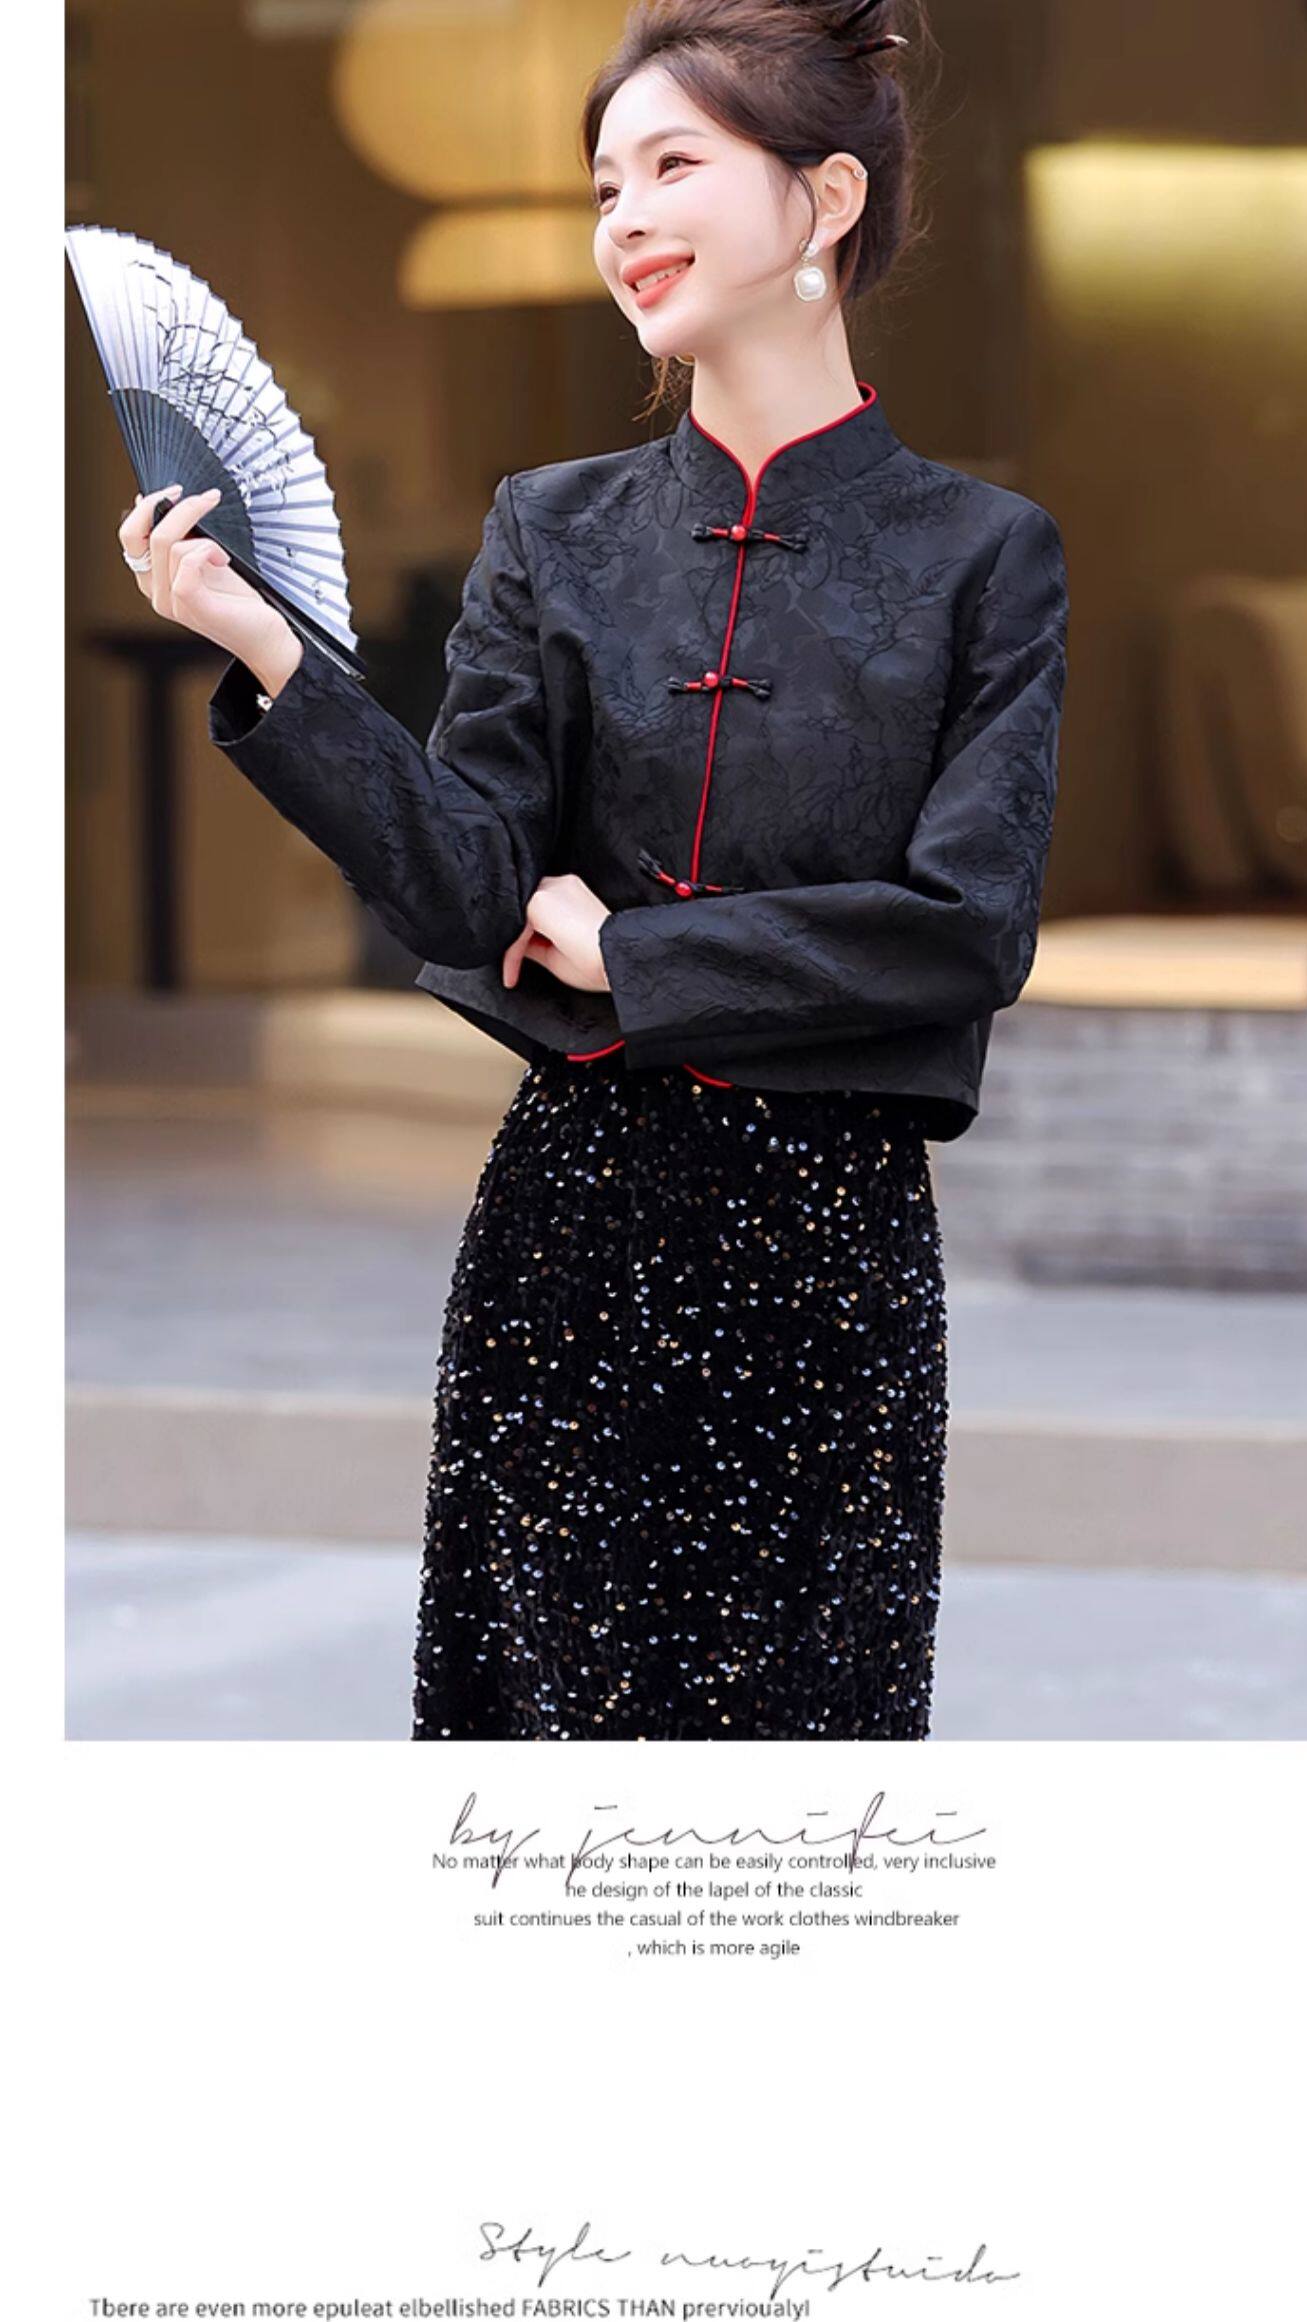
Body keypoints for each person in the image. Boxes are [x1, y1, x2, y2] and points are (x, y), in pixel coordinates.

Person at [112, 0, 1068, 1741]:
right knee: (542, 1767)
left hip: (830, 1259)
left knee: (802, 1781)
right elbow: (466, 887)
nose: (623, 218)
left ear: (826, 196)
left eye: (672, 166)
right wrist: (268, 650)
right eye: (604, 184)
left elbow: (967, 929)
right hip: (571, 1245)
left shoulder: (985, 559)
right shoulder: (547, 531)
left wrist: (639, 959)